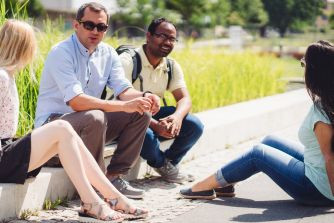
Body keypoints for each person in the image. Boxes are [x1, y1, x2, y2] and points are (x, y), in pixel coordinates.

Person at [0, 19, 148, 222]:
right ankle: (95, 201)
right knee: (62, 127)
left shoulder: (5, 75)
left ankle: (112, 198)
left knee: (66, 133)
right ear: (21, 46)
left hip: (3, 153)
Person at [179, 40, 334, 206]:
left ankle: (202, 187)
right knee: (270, 141)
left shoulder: (322, 110)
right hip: (316, 171)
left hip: (316, 189)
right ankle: (225, 183)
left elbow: (330, 156)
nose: (303, 68)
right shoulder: (328, 100)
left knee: (257, 154)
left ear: (315, 71)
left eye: (304, 64)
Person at [35, 2, 160, 199]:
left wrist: (145, 96)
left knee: (140, 112)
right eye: (89, 25)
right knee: (95, 116)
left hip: (88, 127)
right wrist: (123, 105)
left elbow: (123, 89)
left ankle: (113, 177)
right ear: (76, 25)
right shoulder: (61, 52)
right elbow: (76, 102)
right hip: (53, 129)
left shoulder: (108, 53)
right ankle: (95, 189)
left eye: (101, 27)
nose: (95, 31)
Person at [119, 18, 203, 183]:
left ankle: (167, 164)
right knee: (147, 134)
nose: (167, 42)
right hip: (123, 116)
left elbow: (184, 98)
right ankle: (164, 166)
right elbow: (120, 99)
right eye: (162, 36)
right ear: (148, 36)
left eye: (172, 39)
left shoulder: (171, 66)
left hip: (150, 115)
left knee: (194, 125)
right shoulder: (128, 60)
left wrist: (176, 118)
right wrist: (155, 125)